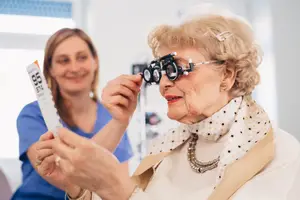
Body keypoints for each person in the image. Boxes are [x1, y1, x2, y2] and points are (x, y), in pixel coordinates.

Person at [36, 9, 300, 200]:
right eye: (159, 71)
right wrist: (78, 187)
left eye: (177, 69)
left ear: (227, 74)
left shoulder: (281, 156)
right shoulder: (165, 150)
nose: (163, 84)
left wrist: (120, 190)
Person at [11, 28, 136, 200]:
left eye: (82, 57)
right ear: (51, 69)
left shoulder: (112, 115)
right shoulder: (32, 116)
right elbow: (65, 175)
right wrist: (118, 124)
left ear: (95, 62)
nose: (74, 67)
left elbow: (117, 183)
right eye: (64, 61)